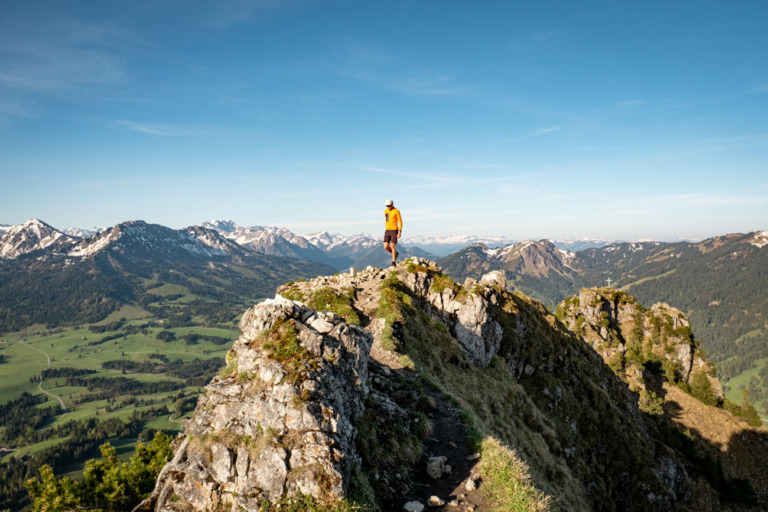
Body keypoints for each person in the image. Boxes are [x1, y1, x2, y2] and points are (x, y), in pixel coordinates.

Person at [383, 199, 402, 266]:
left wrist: (399, 231)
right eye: (387, 206)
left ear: (392, 204)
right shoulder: (385, 211)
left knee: (393, 245)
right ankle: (395, 254)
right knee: (385, 246)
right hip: (387, 230)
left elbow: (400, 221)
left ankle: (393, 262)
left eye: (389, 206)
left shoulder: (396, 211)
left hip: (394, 230)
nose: (388, 207)